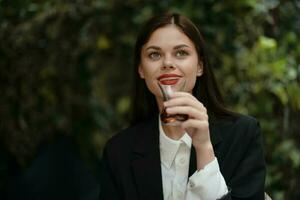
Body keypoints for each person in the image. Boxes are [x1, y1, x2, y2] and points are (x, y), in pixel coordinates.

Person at [100, 12, 266, 200]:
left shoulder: (242, 135)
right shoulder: (119, 152)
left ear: (200, 66)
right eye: (154, 54)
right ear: (140, 69)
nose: (168, 63)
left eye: (181, 53)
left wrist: (204, 147)